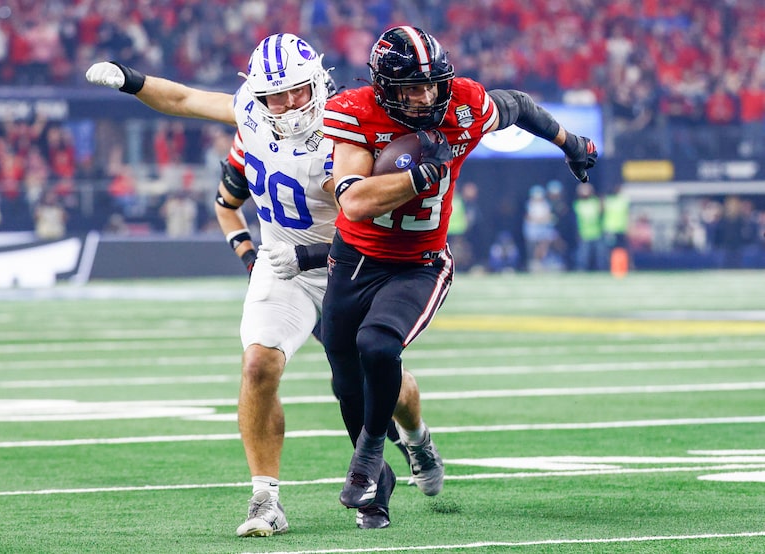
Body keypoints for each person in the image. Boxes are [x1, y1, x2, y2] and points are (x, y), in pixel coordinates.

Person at [86, 32, 435, 536]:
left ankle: (417, 438)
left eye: (298, 90)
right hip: (281, 264)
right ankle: (265, 498)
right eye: (277, 93)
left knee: (384, 382)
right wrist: (130, 80)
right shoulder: (250, 113)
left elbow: (376, 208)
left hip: (350, 262)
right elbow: (182, 98)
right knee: (258, 363)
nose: (290, 103)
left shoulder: (349, 123)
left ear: (317, 81)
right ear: (258, 93)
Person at [317, 25, 597, 521]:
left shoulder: (463, 105)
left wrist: (570, 142)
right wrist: (415, 177)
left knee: (378, 346)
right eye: (411, 88)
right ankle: (389, 470)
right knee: (346, 382)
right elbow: (355, 202)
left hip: (419, 263)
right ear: (384, 86)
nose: (425, 96)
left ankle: (368, 459)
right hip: (356, 257)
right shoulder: (354, 110)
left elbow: (519, 106)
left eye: (431, 84)